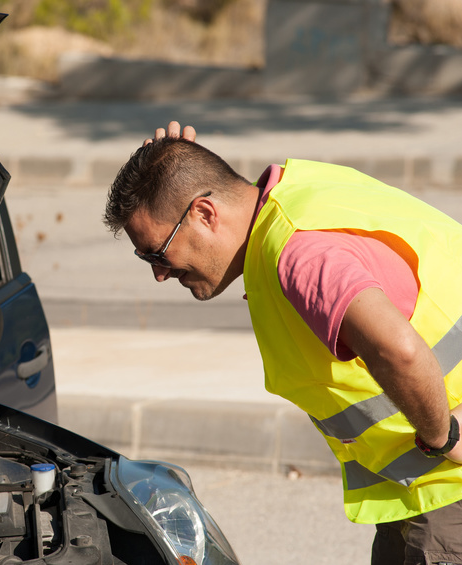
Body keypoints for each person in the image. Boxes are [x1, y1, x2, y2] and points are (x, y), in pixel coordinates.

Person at [103, 122, 462, 564]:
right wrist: (170, 168)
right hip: (424, 488)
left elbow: (399, 351)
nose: (159, 273)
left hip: (448, 484)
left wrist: (444, 436)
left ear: (205, 213)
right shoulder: (294, 192)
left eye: (157, 253)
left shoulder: (298, 254)